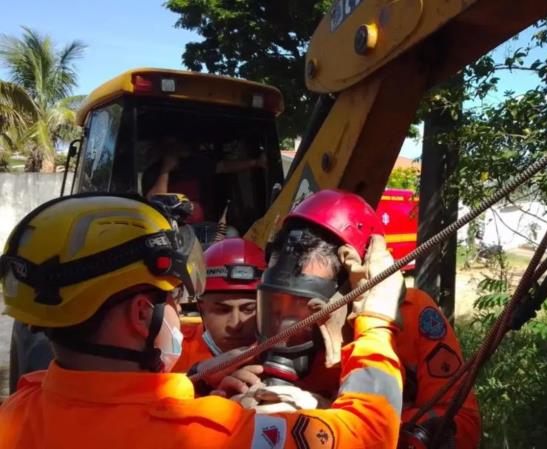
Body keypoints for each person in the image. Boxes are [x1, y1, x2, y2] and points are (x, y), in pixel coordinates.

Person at [0, 193, 404, 449]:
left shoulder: (17, 411)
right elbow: (371, 435)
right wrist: (375, 322)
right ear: (143, 314)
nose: (182, 315)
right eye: (175, 299)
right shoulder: (212, 435)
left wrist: (192, 380)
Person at [217, 190, 481, 449]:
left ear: (357, 285)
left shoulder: (415, 315)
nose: (285, 327)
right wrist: (226, 397)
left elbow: (464, 425)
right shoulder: (264, 332)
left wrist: (327, 414)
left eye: (305, 308)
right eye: (275, 307)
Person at [172, 237, 264, 373]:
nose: (235, 324)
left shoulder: (282, 350)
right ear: (201, 308)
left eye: (249, 309)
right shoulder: (171, 352)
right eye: (223, 310)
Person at [144, 136, 268, 223]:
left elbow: (223, 166)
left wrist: (255, 162)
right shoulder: (154, 173)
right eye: (174, 145)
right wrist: (165, 170)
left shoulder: (194, 165)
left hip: (202, 229)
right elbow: (154, 204)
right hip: (170, 229)